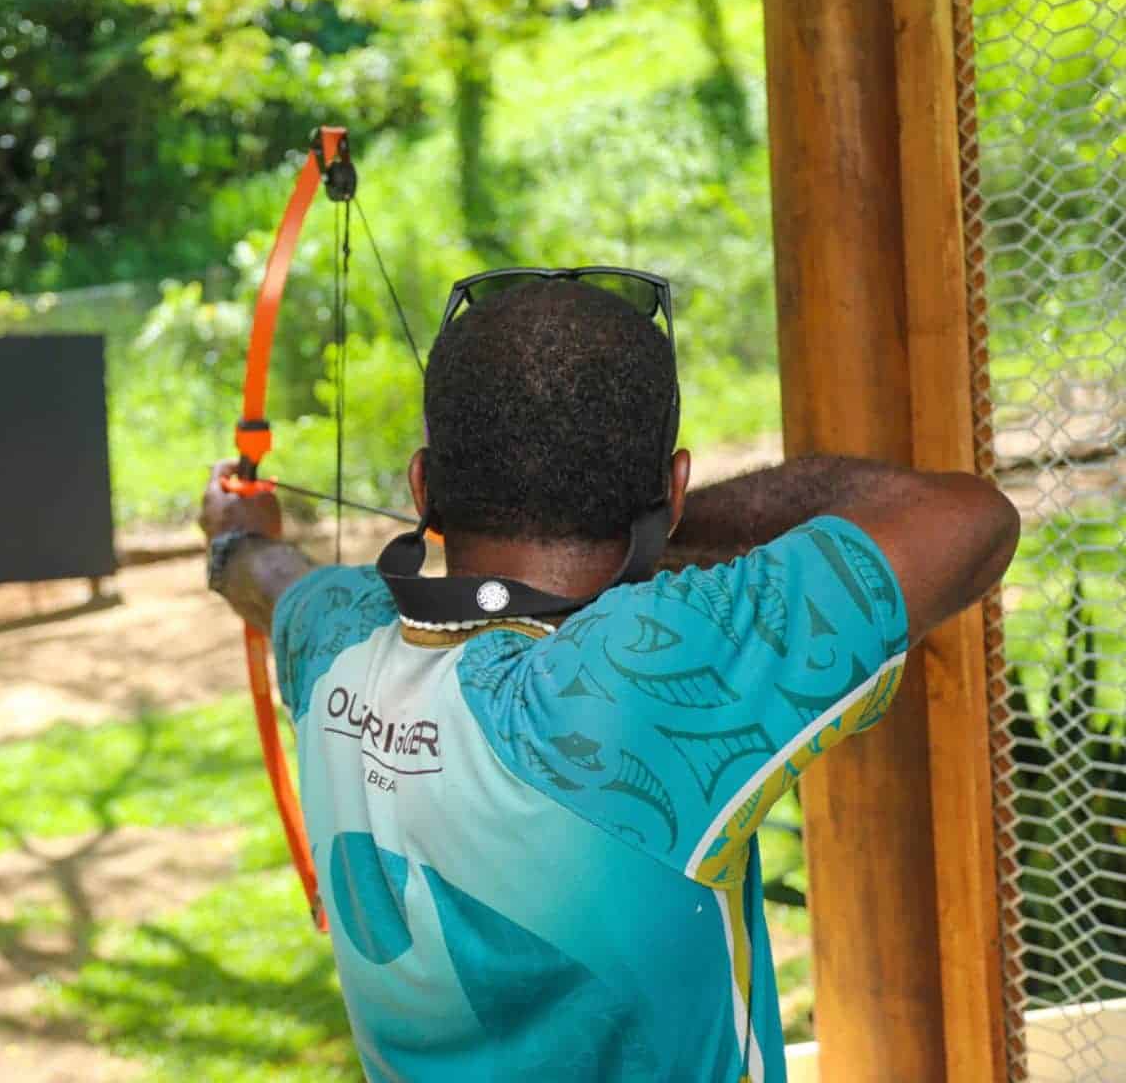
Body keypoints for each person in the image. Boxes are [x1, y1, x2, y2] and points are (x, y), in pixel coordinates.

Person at [199, 272, 1019, 1083]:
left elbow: (269, 579)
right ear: (672, 487)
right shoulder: (645, 678)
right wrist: (668, 524)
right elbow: (970, 518)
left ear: (424, 488)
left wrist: (235, 537)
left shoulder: (335, 638)